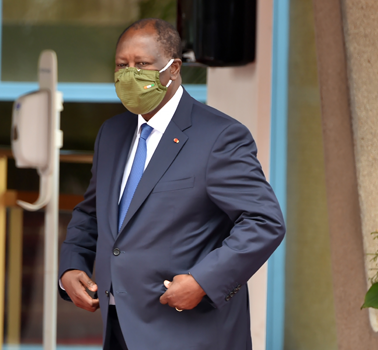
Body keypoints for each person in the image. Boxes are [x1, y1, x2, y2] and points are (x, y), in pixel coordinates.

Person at [58, 18, 285, 350]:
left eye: (142, 65)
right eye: (122, 65)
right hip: (118, 328)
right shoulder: (112, 133)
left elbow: (264, 221)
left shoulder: (219, 137)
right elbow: (92, 214)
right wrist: (71, 264)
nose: (129, 74)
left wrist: (203, 282)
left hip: (190, 332)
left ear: (174, 68)